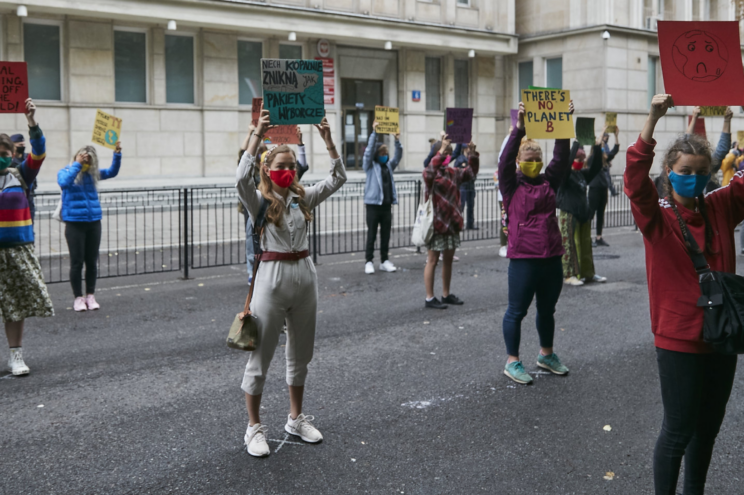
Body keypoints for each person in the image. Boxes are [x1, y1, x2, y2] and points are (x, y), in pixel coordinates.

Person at [627, 94, 742, 495]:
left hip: (723, 335)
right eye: (685, 171)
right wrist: (652, 119)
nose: (693, 177)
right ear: (669, 172)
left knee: (707, 429)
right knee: (678, 432)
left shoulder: (721, 206)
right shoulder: (656, 216)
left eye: (701, 171)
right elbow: (634, 180)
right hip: (680, 339)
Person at [236, 108, 346, 458]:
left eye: (292, 166)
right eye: (281, 166)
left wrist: (328, 142)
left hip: (305, 278)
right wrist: (257, 134)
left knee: (301, 355)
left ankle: (295, 419)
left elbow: (338, 178)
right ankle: (253, 427)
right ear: (267, 169)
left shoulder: (302, 198)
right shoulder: (257, 201)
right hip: (271, 279)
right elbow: (240, 179)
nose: (287, 171)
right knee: (261, 357)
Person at [499, 99, 574, 385]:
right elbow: (504, 161)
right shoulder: (510, 184)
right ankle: (512, 361)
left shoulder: (548, 181)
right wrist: (518, 129)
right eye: (527, 159)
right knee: (516, 311)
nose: (533, 163)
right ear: (519, 162)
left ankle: (546, 354)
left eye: (536, 159)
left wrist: (563, 125)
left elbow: (561, 159)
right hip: (524, 259)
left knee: (547, 310)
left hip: (551, 257)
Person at [0, 98, 54, 376]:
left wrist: (32, 122)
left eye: (4, 152)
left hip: (17, 250)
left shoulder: (21, 175)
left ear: (12, 154)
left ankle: (16, 357)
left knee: (15, 306)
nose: (1, 156)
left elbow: (40, 152)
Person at [58, 143, 123, 311]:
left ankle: (90, 295)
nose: (86, 163)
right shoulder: (66, 172)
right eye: (84, 159)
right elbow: (64, 183)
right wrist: (77, 165)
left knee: (92, 262)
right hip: (74, 223)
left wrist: (117, 154)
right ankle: (78, 298)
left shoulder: (92, 174)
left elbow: (112, 172)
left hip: (94, 222)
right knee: (77, 262)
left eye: (89, 161)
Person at [423, 135, 479, 309]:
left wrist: (472, 153)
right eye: (444, 153)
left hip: (452, 223)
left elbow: (471, 173)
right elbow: (428, 172)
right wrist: (441, 150)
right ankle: (429, 298)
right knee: (433, 260)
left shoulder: (452, 172)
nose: (447, 156)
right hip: (436, 224)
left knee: (448, 260)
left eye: (449, 153)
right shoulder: (431, 174)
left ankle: (446, 294)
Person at [558, 140, 607, 286]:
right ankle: (569, 274)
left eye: (582, 159)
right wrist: (575, 144)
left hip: (583, 214)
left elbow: (596, 167)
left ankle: (587, 273)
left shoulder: (581, 174)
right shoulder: (564, 175)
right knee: (570, 245)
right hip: (569, 213)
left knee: (585, 244)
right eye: (577, 159)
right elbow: (567, 164)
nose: (580, 162)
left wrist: (597, 147)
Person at [363, 121, 402, 274]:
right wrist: (374, 133)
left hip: (386, 205)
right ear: (377, 154)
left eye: (386, 153)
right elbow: (368, 151)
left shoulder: (388, 166)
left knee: (386, 235)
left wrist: (397, 141)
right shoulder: (370, 166)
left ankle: (384, 261)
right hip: (373, 205)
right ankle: (369, 261)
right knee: (371, 235)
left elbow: (398, 156)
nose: (384, 156)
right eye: (382, 153)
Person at [589, 126, 620, 247]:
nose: (602, 148)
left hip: (603, 189)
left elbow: (614, 151)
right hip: (594, 189)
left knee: (601, 213)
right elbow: (597, 149)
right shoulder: (592, 159)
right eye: (601, 146)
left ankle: (599, 237)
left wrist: (616, 136)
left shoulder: (605, 160)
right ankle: (586, 237)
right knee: (591, 213)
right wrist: (601, 133)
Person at [10, 133, 37, 222]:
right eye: (20, 145)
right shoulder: (9, 160)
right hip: (15, 196)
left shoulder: (28, 157)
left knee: (30, 222)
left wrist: (33, 188)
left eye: (23, 145)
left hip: (29, 196)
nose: (22, 147)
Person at [453, 143, 478, 230]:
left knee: (471, 206)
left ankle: (470, 224)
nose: (469, 150)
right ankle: (458, 224)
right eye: (468, 148)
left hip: (470, 185)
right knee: (461, 206)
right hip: (463, 185)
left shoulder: (470, 158)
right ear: (464, 149)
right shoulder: (460, 159)